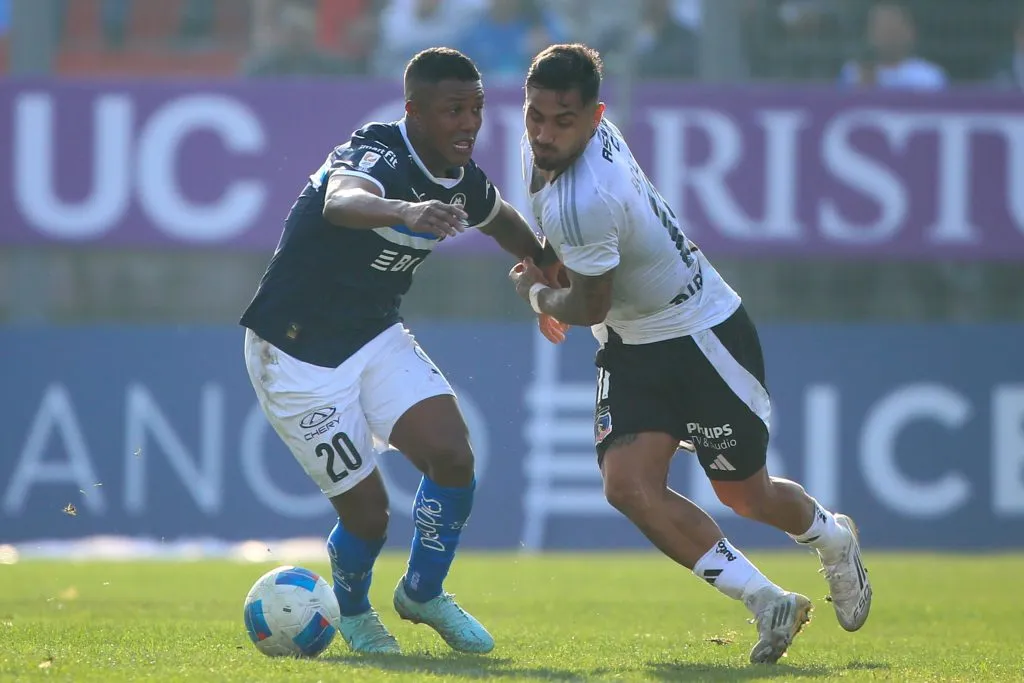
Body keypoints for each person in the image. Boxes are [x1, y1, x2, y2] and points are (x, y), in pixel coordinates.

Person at [508, 43, 872, 665]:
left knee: (745, 495)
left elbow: (587, 305)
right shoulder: (554, 153)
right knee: (626, 486)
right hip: (631, 343)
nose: (543, 133)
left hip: (700, 331)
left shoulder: (588, 194)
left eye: (562, 120)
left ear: (595, 119)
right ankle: (767, 601)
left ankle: (832, 537)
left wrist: (537, 292)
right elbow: (579, 269)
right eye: (535, 115)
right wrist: (553, 273)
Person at [241, 47, 560, 655]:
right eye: (452, 110)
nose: (468, 123)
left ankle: (422, 592)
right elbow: (342, 201)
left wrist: (546, 265)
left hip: (373, 334)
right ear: (414, 110)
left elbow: (501, 220)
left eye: (476, 109)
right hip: (294, 355)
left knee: (452, 455)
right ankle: (355, 613)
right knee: (369, 517)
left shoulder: (462, 178)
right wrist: (406, 210)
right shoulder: (376, 151)